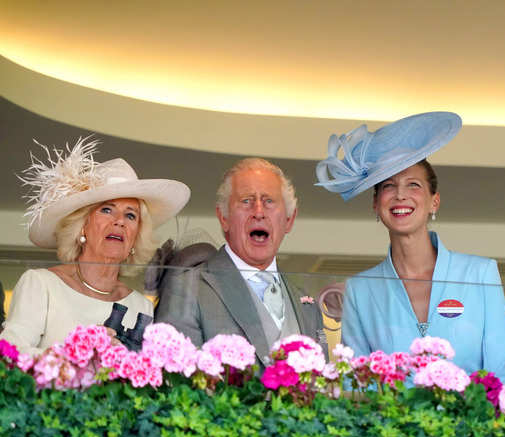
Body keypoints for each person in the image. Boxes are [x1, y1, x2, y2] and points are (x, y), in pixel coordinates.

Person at [316, 112, 505, 383]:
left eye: (413, 185)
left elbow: (502, 377)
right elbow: (359, 387)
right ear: (375, 205)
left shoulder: (480, 274)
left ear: (434, 202)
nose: (400, 195)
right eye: (389, 186)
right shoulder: (359, 290)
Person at [1, 138, 190, 356]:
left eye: (130, 215)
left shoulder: (141, 306)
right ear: (82, 226)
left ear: (136, 236)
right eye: (107, 210)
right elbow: (9, 354)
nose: (119, 221)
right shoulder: (41, 284)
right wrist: (73, 355)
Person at [155, 157, 327, 365]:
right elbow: (178, 385)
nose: (258, 212)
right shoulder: (185, 288)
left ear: (289, 219)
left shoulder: (307, 303)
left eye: (269, 201)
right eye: (246, 201)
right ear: (224, 218)